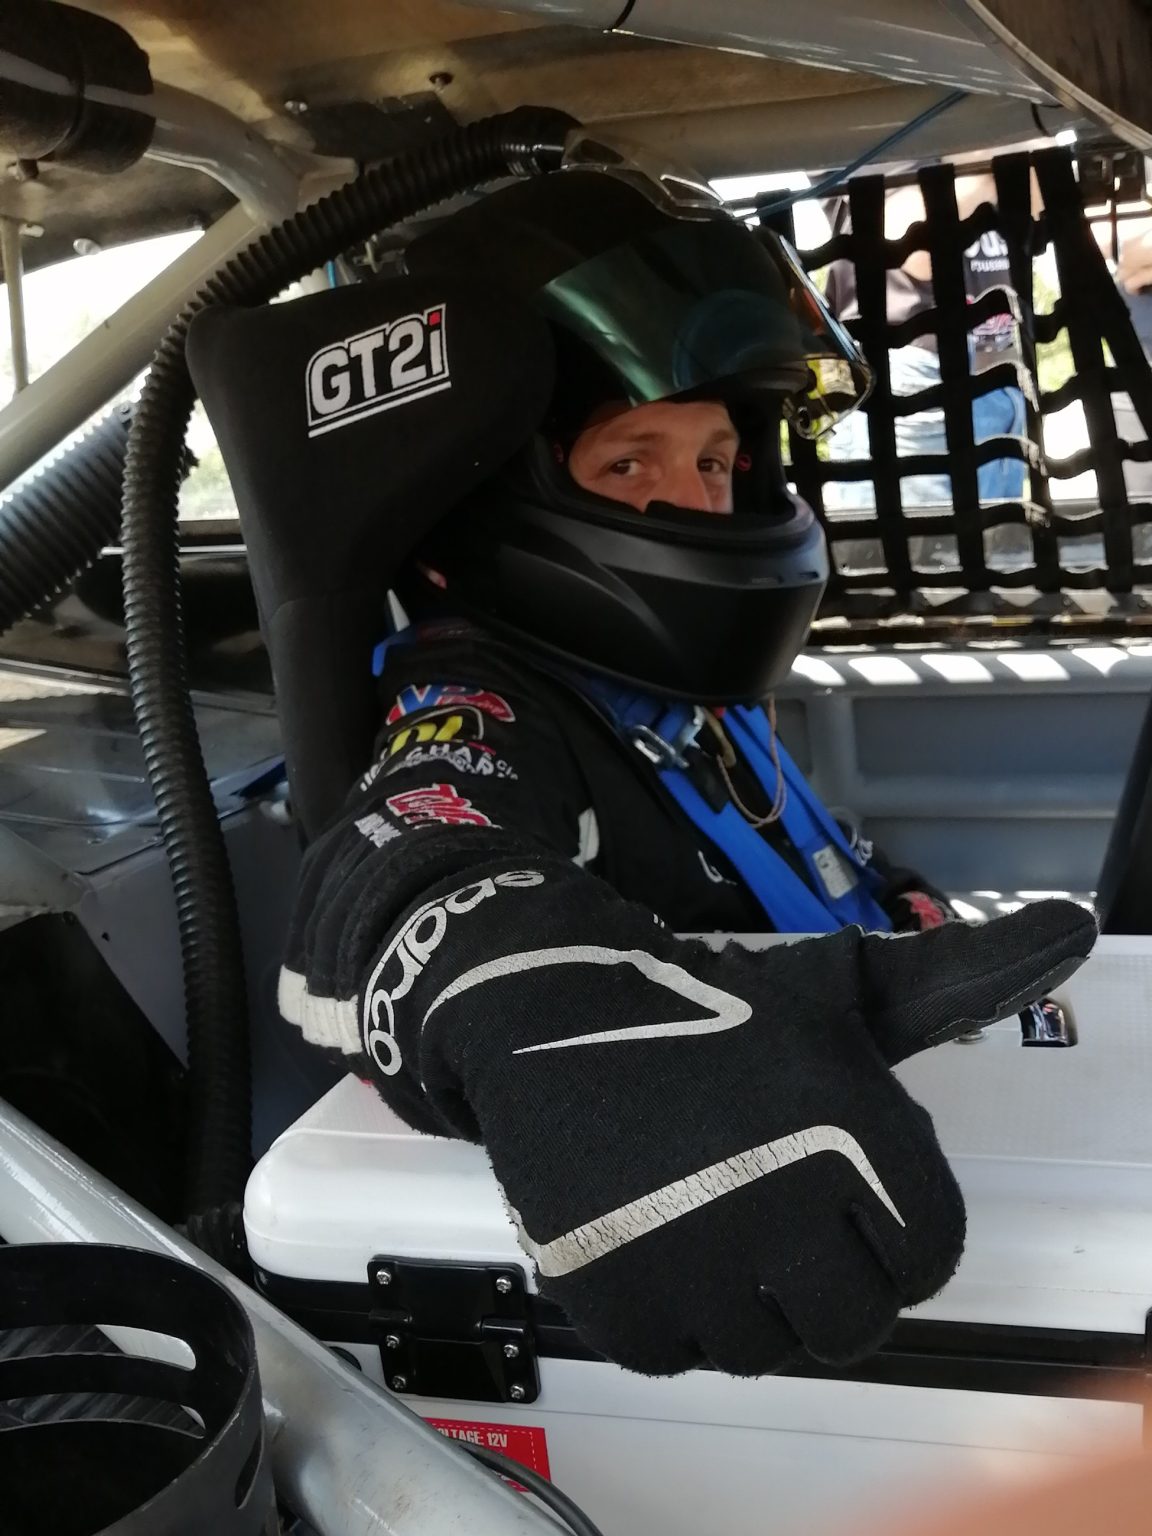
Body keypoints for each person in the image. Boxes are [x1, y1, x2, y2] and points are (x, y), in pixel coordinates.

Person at [277, 160, 1095, 1378]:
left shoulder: (682, 695)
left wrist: (908, 919)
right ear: (484, 495)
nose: (696, 506)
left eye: (713, 462)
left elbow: (818, 863)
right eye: (629, 463)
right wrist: (548, 1015)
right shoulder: (486, 698)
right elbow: (399, 862)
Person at [822, 171, 1028, 510]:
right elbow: (903, 242)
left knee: (999, 539)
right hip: (914, 377)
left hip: (999, 372)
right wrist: (988, 167)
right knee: (924, 539)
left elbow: (1032, 199)